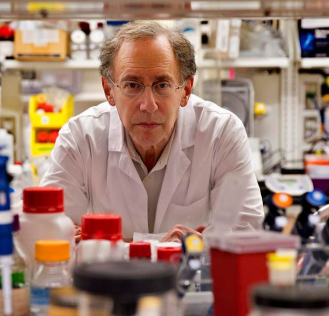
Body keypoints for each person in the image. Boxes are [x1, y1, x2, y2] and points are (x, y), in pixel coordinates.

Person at [40, 21, 263, 242]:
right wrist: (164, 247)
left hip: (189, 277)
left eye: (162, 85)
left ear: (185, 90)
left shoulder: (221, 133)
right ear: (109, 91)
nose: (148, 105)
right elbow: (53, 234)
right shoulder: (81, 137)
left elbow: (244, 234)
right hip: (110, 278)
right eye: (132, 85)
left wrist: (111, 244)